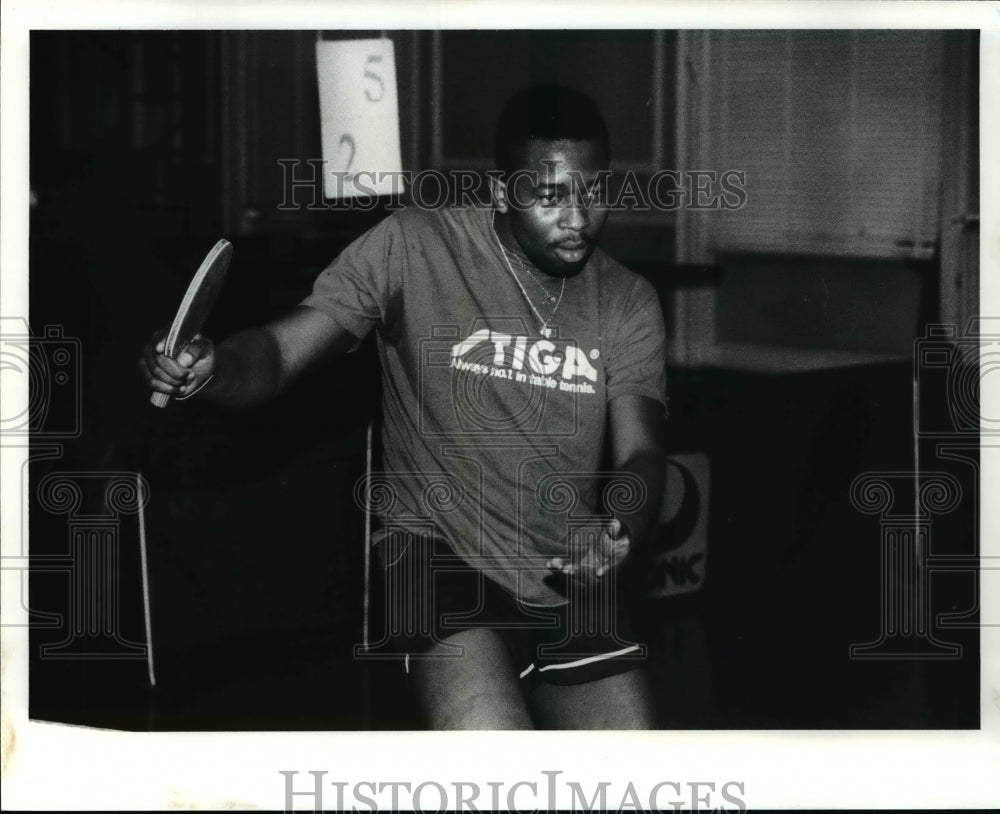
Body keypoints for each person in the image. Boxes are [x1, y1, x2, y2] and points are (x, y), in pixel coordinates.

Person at [140, 85, 668, 729]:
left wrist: (620, 526)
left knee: (634, 774)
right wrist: (215, 367)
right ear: (502, 192)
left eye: (595, 191)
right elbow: (280, 354)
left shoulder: (627, 300)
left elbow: (641, 453)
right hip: (438, 562)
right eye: (550, 195)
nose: (578, 219)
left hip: (567, 579)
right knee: (494, 768)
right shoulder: (411, 246)